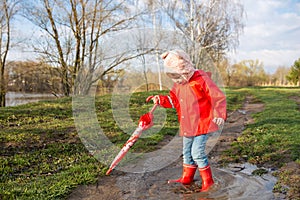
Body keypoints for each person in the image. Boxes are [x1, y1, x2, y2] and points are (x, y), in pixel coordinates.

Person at [145, 49, 227, 192]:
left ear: (185, 70)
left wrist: (219, 114)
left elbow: (217, 96)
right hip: (187, 125)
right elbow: (173, 100)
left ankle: (208, 181)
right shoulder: (178, 84)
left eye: (177, 77)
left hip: (203, 123)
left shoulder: (200, 79)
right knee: (187, 152)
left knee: (197, 153)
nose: (176, 81)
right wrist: (160, 99)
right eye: (173, 78)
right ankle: (187, 177)